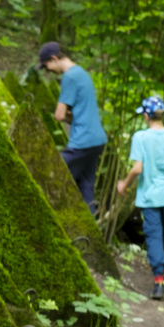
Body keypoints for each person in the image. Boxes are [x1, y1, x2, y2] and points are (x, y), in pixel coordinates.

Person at [117, 95, 164, 300]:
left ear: (147, 115)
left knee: (154, 236)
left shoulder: (140, 137)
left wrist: (124, 184)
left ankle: (158, 282)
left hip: (149, 197)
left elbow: (137, 168)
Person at [39, 41, 107, 213]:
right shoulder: (82, 73)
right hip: (97, 140)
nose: (48, 71)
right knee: (86, 187)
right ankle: (90, 230)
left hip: (82, 141)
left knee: (50, 174)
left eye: (47, 66)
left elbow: (59, 115)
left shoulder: (69, 77)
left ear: (54, 58)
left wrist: (65, 114)